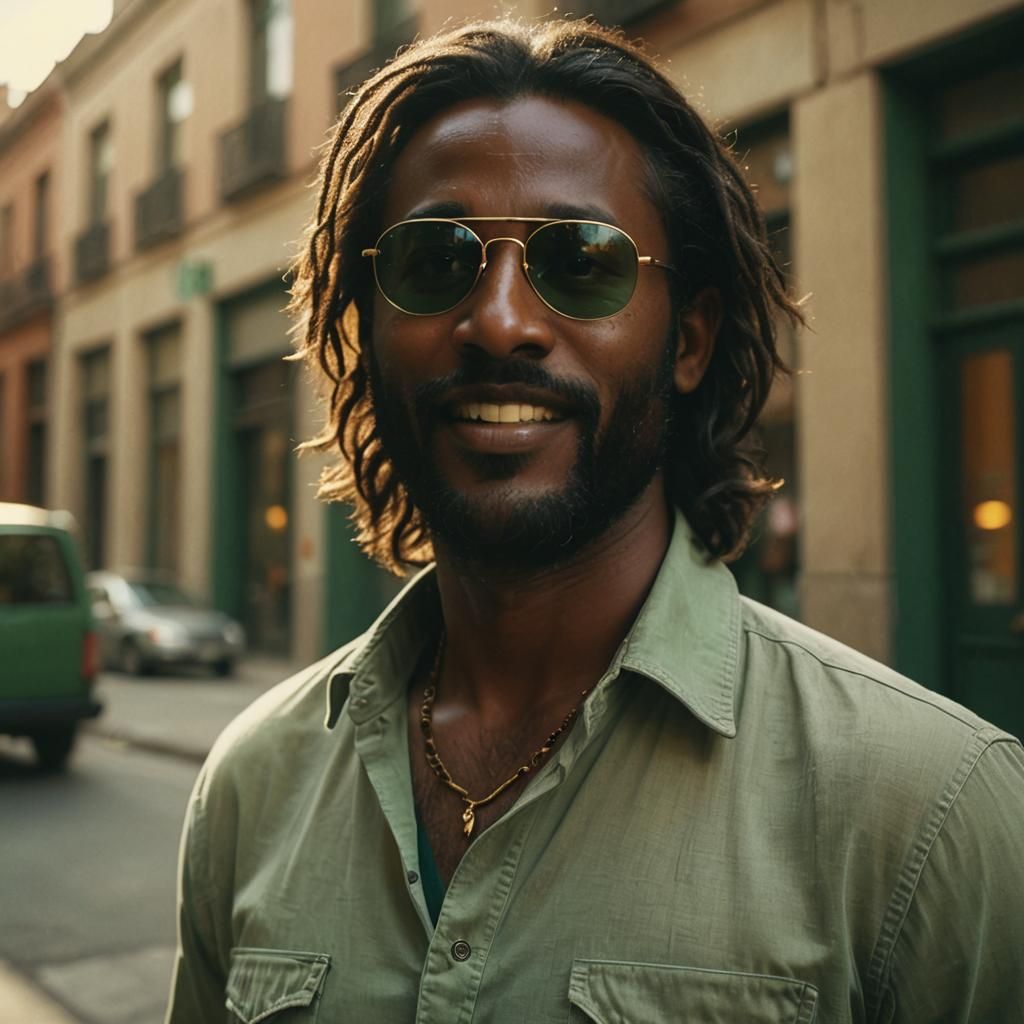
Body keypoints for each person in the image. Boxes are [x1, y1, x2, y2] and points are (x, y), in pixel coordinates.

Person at [166, 17, 1024, 1023]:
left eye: (579, 259)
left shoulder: (933, 812)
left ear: (689, 339)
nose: (498, 320)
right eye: (436, 260)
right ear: (369, 327)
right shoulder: (250, 783)